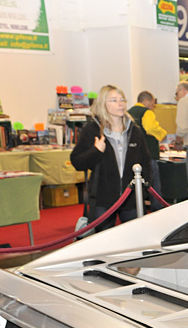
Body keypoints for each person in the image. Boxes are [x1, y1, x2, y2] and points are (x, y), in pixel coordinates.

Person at [70, 84, 152, 232]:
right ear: (103, 104)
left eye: (122, 99)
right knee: (104, 244)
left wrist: (144, 192)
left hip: (131, 199)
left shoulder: (135, 131)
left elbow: (146, 164)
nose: (120, 103)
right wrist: (96, 151)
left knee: (136, 241)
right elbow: (77, 162)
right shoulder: (92, 130)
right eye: (114, 100)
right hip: (103, 199)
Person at [127, 90, 166, 210]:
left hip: (132, 154)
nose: (153, 107)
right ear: (147, 101)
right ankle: (157, 208)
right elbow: (150, 128)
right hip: (149, 154)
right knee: (153, 183)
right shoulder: (147, 112)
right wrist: (162, 133)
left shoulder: (128, 112)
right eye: (152, 104)